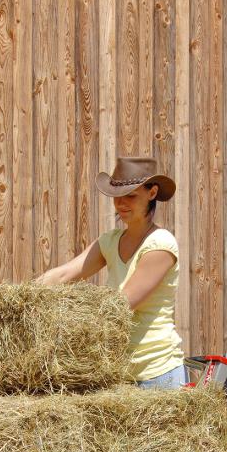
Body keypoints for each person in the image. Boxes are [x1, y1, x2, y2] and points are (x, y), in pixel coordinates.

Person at [37, 156, 186, 389]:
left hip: (157, 374)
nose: (121, 204)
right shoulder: (110, 241)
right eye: (117, 197)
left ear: (152, 193)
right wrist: (23, 294)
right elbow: (64, 275)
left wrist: (69, 317)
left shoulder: (161, 244)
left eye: (131, 196)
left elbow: (123, 304)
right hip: (120, 374)